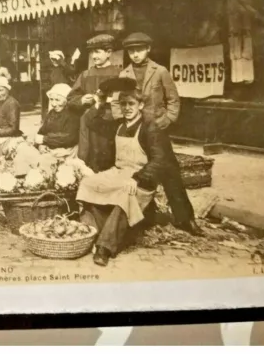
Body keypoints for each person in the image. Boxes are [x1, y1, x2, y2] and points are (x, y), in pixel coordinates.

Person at [77, 77, 202, 266]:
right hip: (119, 171)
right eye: (123, 104)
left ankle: (105, 247)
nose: (127, 108)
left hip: (141, 177)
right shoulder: (118, 125)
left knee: (124, 193)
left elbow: (160, 160)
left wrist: (138, 178)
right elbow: (92, 122)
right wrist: (100, 102)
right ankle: (93, 232)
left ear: (141, 104)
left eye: (131, 104)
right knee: (87, 184)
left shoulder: (150, 128)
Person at [68, 34, 121, 172]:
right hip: (88, 122)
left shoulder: (119, 73)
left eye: (97, 52)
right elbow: (71, 98)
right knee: (88, 157)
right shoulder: (85, 74)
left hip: (109, 121)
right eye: (92, 52)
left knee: (107, 156)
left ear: (109, 52)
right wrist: (81, 99)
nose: (93, 56)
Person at [119, 32, 180, 130]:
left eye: (139, 50)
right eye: (131, 51)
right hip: (132, 124)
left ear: (148, 48)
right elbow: (116, 100)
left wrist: (169, 118)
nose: (135, 55)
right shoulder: (123, 74)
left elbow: (173, 98)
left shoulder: (160, 71)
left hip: (157, 123)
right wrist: (121, 119)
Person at [34, 83, 80, 154]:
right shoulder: (51, 113)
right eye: (51, 99)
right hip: (51, 149)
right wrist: (41, 145)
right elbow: (41, 132)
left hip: (67, 151)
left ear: (66, 100)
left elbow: (68, 138)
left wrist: (44, 139)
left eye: (57, 100)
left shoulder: (72, 114)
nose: (54, 104)